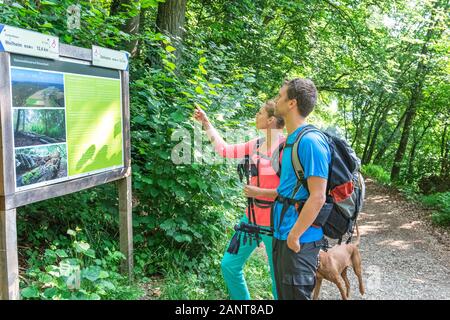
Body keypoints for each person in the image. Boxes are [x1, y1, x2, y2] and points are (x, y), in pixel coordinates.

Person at [193, 100, 285, 300]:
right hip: (251, 220)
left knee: (278, 280)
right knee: (229, 265)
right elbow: (224, 150)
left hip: (276, 224)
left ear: (270, 120)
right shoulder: (256, 144)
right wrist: (206, 123)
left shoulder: (288, 148)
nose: (256, 115)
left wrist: (258, 191)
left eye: (260, 112)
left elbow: (294, 192)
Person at [272, 78, 331, 300]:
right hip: (282, 232)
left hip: (300, 240)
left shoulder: (311, 142)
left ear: (291, 103)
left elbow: (318, 196)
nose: (276, 100)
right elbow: (287, 189)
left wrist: (294, 236)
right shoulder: (291, 139)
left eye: (280, 96)